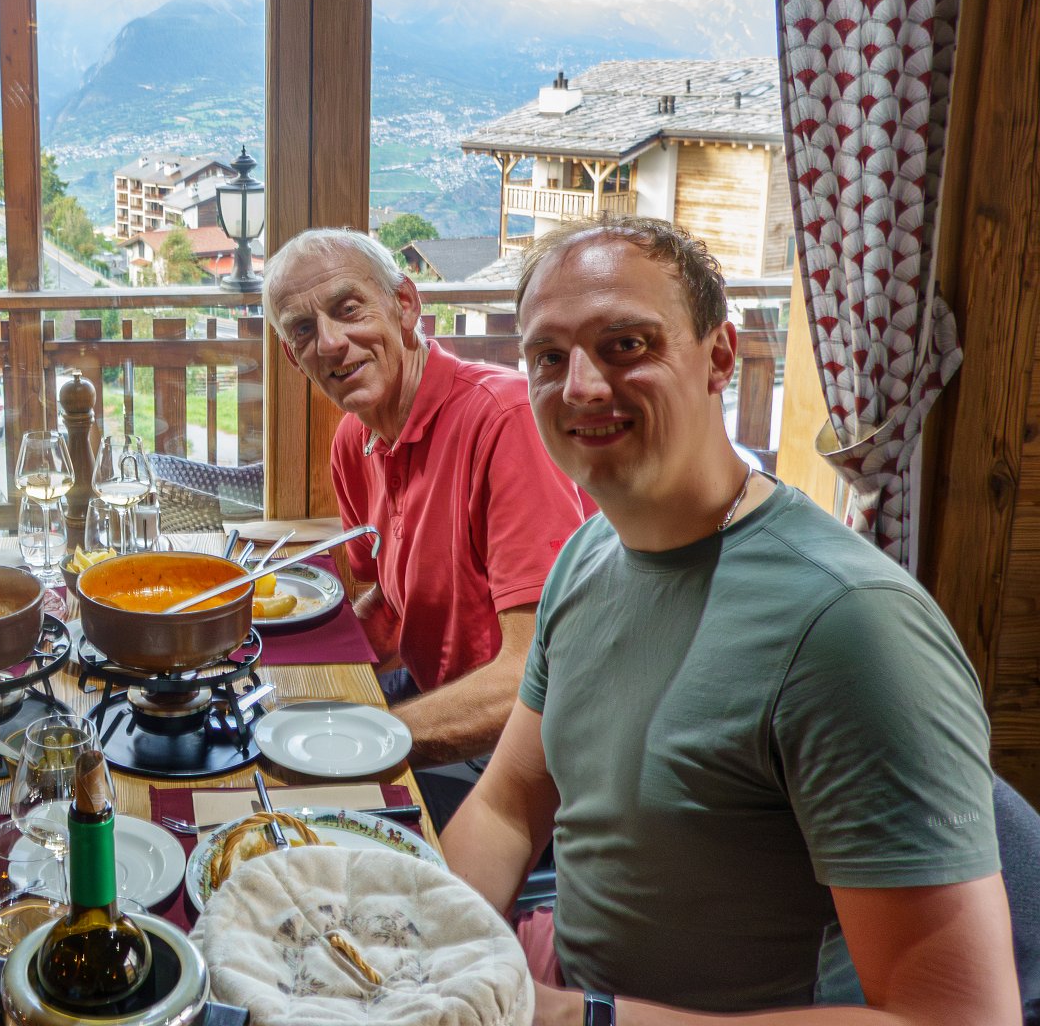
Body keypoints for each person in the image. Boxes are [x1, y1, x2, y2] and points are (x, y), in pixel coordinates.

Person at [440, 216, 1019, 1024]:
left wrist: (574, 1016)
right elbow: (509, 805)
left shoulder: (851, 628)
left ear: (719, 357)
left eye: (626, 345)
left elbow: (953, 1017)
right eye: (549, 357)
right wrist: (422, 944)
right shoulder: (587, 556)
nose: (581, 388)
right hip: (573, 988)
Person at [262, 228, 591, 766]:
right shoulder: (353, 438)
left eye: (348, 309)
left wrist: (345, 739)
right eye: (303, 329)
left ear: (406, 304)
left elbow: (536, 676)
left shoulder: (504, 420)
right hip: (432, 692)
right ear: (293, 357)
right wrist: (287, 682)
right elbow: (393, 608)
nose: (330, 343)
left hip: (525, 747)